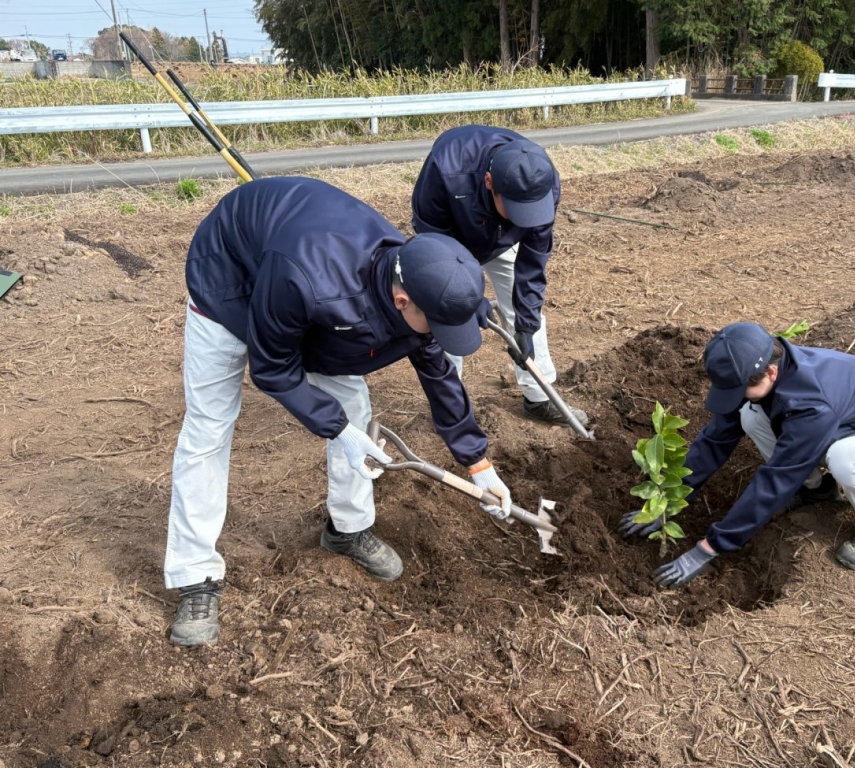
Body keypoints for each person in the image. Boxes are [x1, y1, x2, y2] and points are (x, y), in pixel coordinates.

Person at [166, 177, 515, 647]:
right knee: (210, 425)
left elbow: (438, 375)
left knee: (354, 405)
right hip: (229, 280)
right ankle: (196, 576)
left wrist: (479, 465)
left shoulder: (421, 277)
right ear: (402, 300)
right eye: (435, 325)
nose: (436, 336)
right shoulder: (309, 278)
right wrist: (338, 431)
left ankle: (348, 530)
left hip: (303, 296)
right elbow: (271, 369)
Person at [621, 322, 855, 586]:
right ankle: (817, 490)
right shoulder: (766, 370)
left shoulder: (810, 403)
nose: (733, 396)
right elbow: (715, 441)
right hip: (846, 428)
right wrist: (667, 500)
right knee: (750, 413)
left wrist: (709, 547)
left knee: (848, 458)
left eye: (739, 389)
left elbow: (776, 479)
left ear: (771, 373)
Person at [411, 124, 588, 427]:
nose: (527, 215)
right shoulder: (445, 170)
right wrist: (469, 295)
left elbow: (533, 263)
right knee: (447, 313)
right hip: (450, 238)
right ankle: (449, 406)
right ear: (490, 182)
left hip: (502, 238)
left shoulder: (542, 182)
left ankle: (539, 396)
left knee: (525, 314)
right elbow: (431, 238)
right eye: (517, 208)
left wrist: (527, 326)